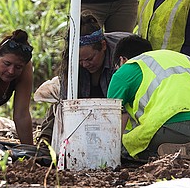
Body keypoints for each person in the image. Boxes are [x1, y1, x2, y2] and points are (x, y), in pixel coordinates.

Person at [106, 35, 190, 161]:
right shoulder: (181, 60)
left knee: (129, 144)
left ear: (122, 60)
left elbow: (113, 122)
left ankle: (172, 152)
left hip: (169, 131)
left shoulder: (125, 70)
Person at [35, 14, 131, 143]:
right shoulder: (71, 62)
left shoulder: (123, 54)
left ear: (103, 46)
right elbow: (65, 103)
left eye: (89, 59)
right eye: (79, 61)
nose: (85, 65)